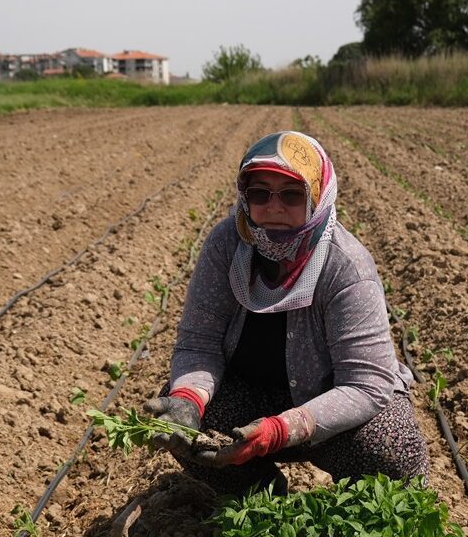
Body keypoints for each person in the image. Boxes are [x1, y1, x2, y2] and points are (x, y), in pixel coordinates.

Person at [143, 131, 429, 495]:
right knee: (182, 421)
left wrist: (283, 429)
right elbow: (199, 343)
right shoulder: (227, 244)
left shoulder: (345, 267)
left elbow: (366, 384)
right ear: (244, 197)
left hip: (328, 408)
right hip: (248, 402)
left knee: (392, 446)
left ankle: (363, 510)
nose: (274, 207)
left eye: (292, 194)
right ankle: (259, 497)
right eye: (260, 193)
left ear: (316, 197)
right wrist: (189, 398)